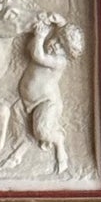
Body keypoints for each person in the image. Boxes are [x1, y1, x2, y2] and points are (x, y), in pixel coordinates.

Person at [19, 14, 83, 175]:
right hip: (30, 99)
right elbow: (62, 27)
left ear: (67, 54)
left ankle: (59, 143)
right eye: (57, 39)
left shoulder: (59, 62)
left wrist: (40, 36)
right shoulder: (53, 48)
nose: (55, 45)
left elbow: (37, 56)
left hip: (46, 102)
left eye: (61, 47)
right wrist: (57, 20)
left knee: (42, 131)